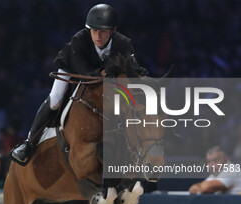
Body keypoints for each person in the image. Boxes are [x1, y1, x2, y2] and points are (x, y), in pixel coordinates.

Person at [10, 3, 148, 165]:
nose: (98, 36)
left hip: (104, 78)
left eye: (103, 31)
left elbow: (133, 68)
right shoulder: (79, 40)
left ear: (113, 30)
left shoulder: (124, 43)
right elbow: (85, 74)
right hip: (72, 70)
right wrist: (104, 73)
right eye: (94, 30)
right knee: (55, 99)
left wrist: (140, 75)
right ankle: (29, 143)